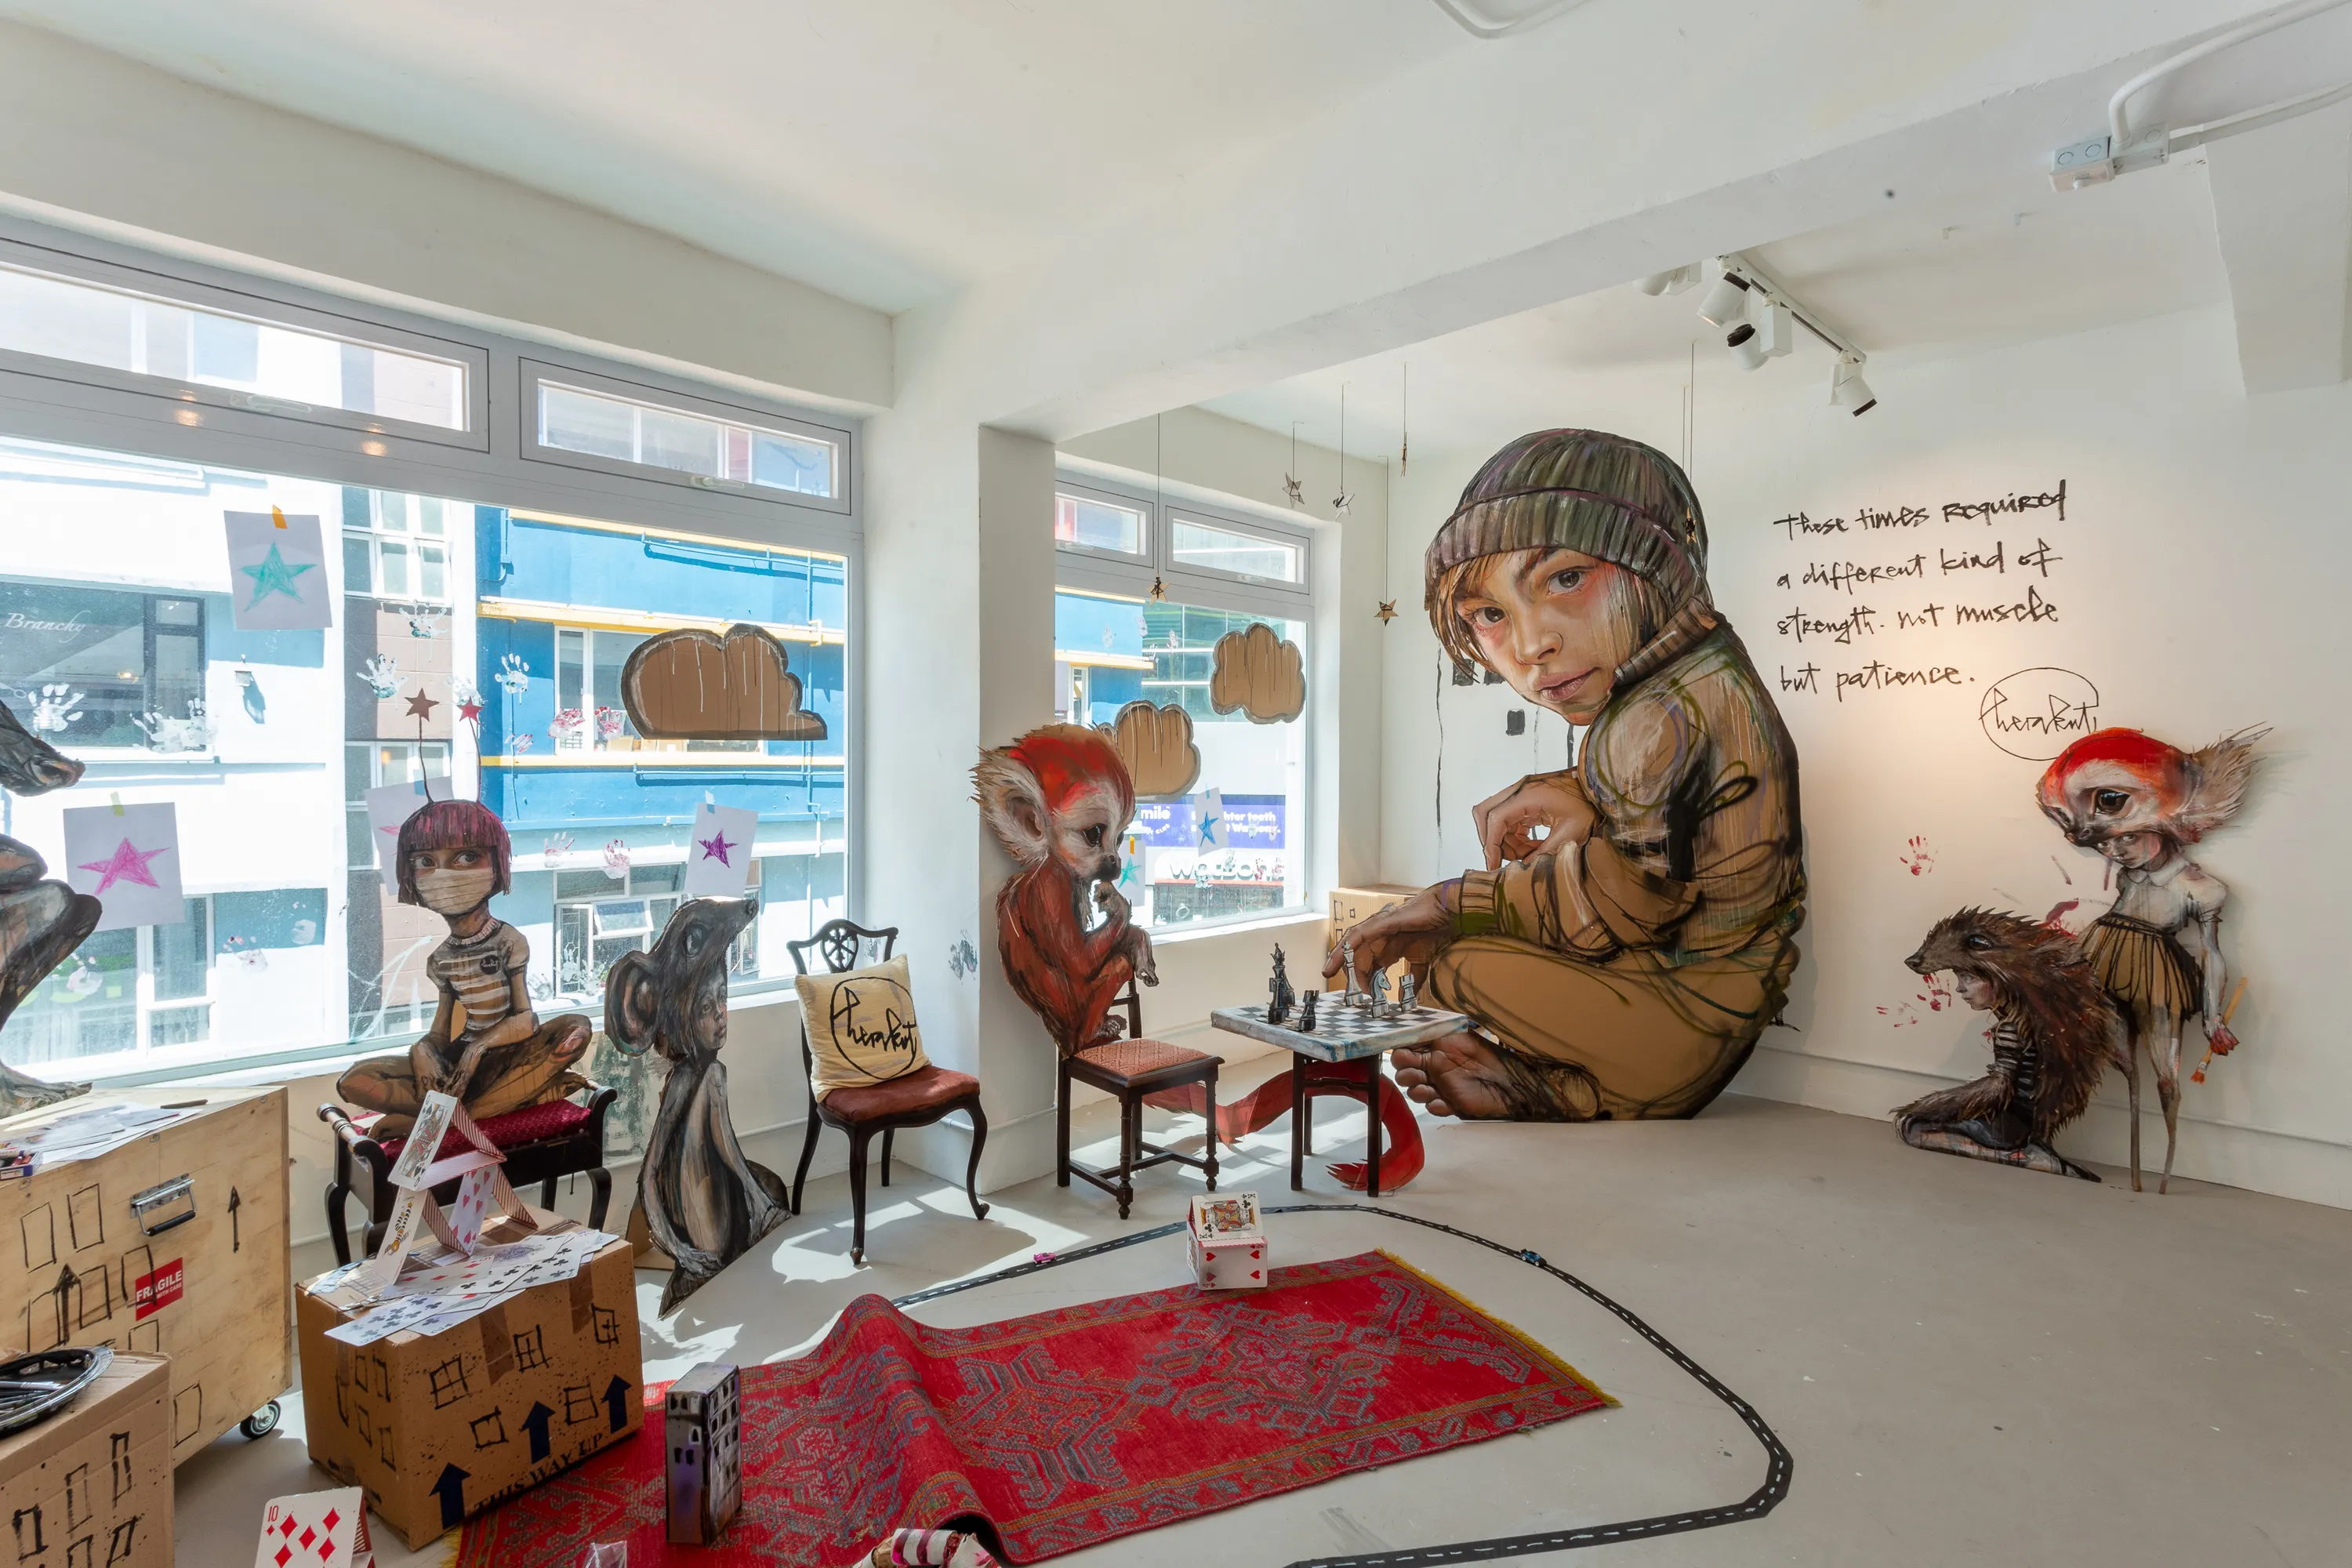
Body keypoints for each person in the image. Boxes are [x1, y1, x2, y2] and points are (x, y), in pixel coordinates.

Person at [1327, 429, 1805, 1120]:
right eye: (1490, 614)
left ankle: (1569, 1085)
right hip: (1709, 997)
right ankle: (1551, 1086)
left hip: (1689, 1016)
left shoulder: (1658, 715)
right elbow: (1684, 818)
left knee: (1459, 965)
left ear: (1658, 567)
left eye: (1568, 579)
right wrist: (1579, 791)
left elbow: (1628, 901)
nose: (1532, 645)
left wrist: (1454, 900)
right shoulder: (1691, 677)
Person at [336, 797, 592, 1137]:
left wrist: (478, 1048)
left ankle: (438, 1121)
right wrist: (423, 1050)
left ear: (497, 865)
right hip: (459, 1067)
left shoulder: (508, 941)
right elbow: (440, 1034)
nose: (444, 876)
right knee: (355, 1080)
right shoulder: (440, 959)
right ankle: (484, 1107)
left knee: (576, 1027)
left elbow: (525, 1019)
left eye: (468, 857)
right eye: (425, 861)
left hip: (511, 1056)